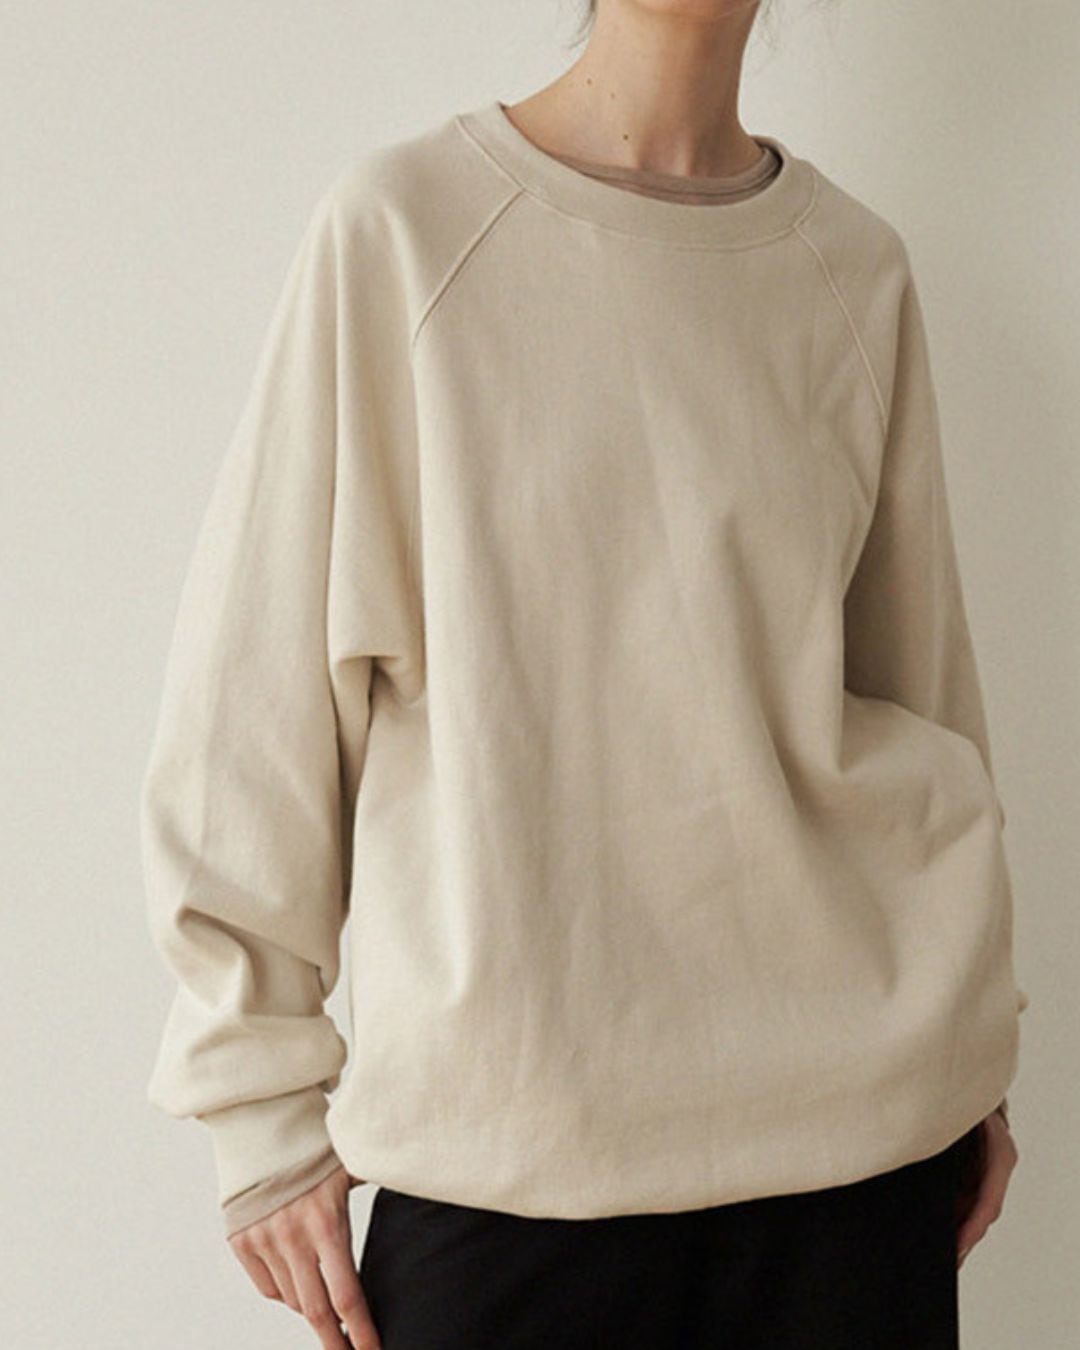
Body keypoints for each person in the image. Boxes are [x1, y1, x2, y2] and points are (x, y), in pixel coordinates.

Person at [140, 1, 1028, 1346]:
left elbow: (924, 690)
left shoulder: (853, 269)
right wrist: (254, 1101)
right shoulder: (406, 231)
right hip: (511, 1174)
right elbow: (251, 699)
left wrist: (971, 1054)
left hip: (859, 1163)